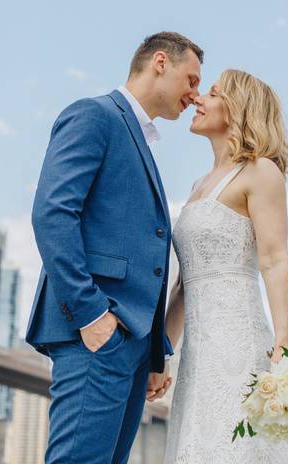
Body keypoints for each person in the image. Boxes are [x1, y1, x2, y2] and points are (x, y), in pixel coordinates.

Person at [24, 31, 203, 464]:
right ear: (160, 62)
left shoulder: (141, 139)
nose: (195, 95)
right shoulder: (95, 116)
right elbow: (52, 213)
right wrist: (92, 316)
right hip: (96, 332)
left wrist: (155, 349)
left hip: (132, 344)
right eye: (192, 79)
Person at [162, 68, 288, 464]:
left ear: (238, 110)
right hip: (196, 355)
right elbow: (184, 286)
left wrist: (283, 346)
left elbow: (275, 260)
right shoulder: (197, 186)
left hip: (239, 340)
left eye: (214, 93)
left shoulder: (261, 172)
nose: (199, 99)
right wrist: (162, 354)